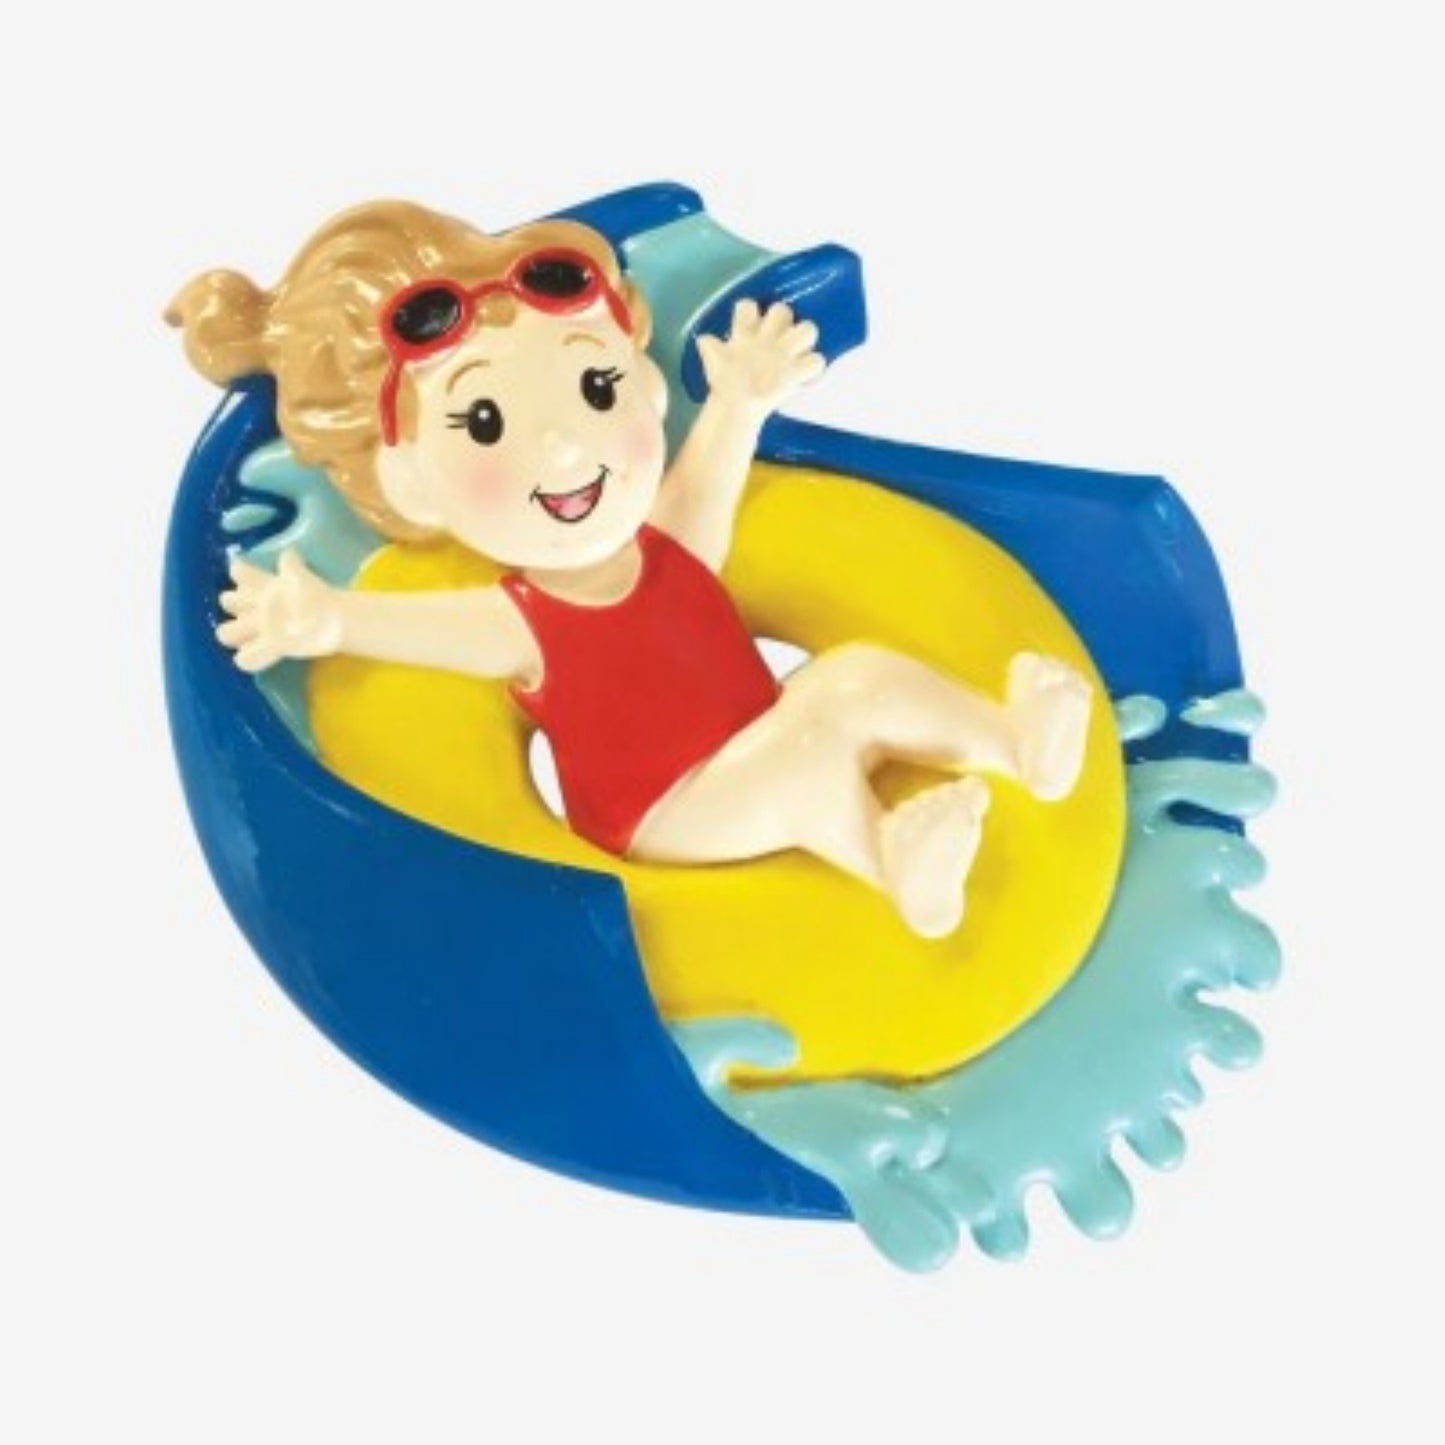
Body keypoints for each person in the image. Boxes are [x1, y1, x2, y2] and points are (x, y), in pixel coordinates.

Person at [168, 200, 1092, 939]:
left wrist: (741, 398)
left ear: (642, 387)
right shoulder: (520, 620)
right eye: (485, 424)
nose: (565, 445)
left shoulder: (668, 544)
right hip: (668, 811)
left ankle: (1014, 742)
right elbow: (408, 632)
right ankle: (897, 867)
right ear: (410, 483)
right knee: (805, 759)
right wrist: (323, 619)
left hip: (758, 736)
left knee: (856, 677)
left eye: (595, 385)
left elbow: (711, 473)